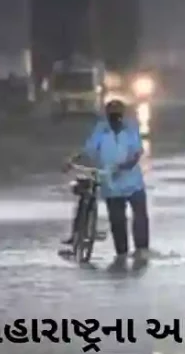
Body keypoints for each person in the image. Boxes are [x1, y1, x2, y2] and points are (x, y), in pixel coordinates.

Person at [64, 99, 149, 260]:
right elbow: (88, 150)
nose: (115, 118)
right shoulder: (101, 131)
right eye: (112, 115)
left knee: (140, 216)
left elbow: (137, 152)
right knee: (117, 221)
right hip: (111, 185)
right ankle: (122, 254)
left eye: (117, 115)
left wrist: (125, 166)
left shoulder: (130, 129)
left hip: (133, 183)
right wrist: (72, 160)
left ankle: (142, 250)